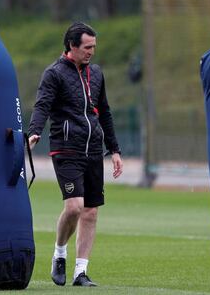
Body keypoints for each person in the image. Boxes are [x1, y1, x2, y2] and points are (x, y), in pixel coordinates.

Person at [28, 22, 123, 287]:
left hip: (93, 150)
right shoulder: (54, 74)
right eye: (87, 47)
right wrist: (34, 131)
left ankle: (80, 272)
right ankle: (59, 254)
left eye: (94, 47)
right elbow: (42, 104)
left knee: (90, 212)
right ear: (72, 46)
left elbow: (104, 112)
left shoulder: (96, 73)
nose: (92, 51)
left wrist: (114, 150)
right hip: (66, 148)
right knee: (74, 207)